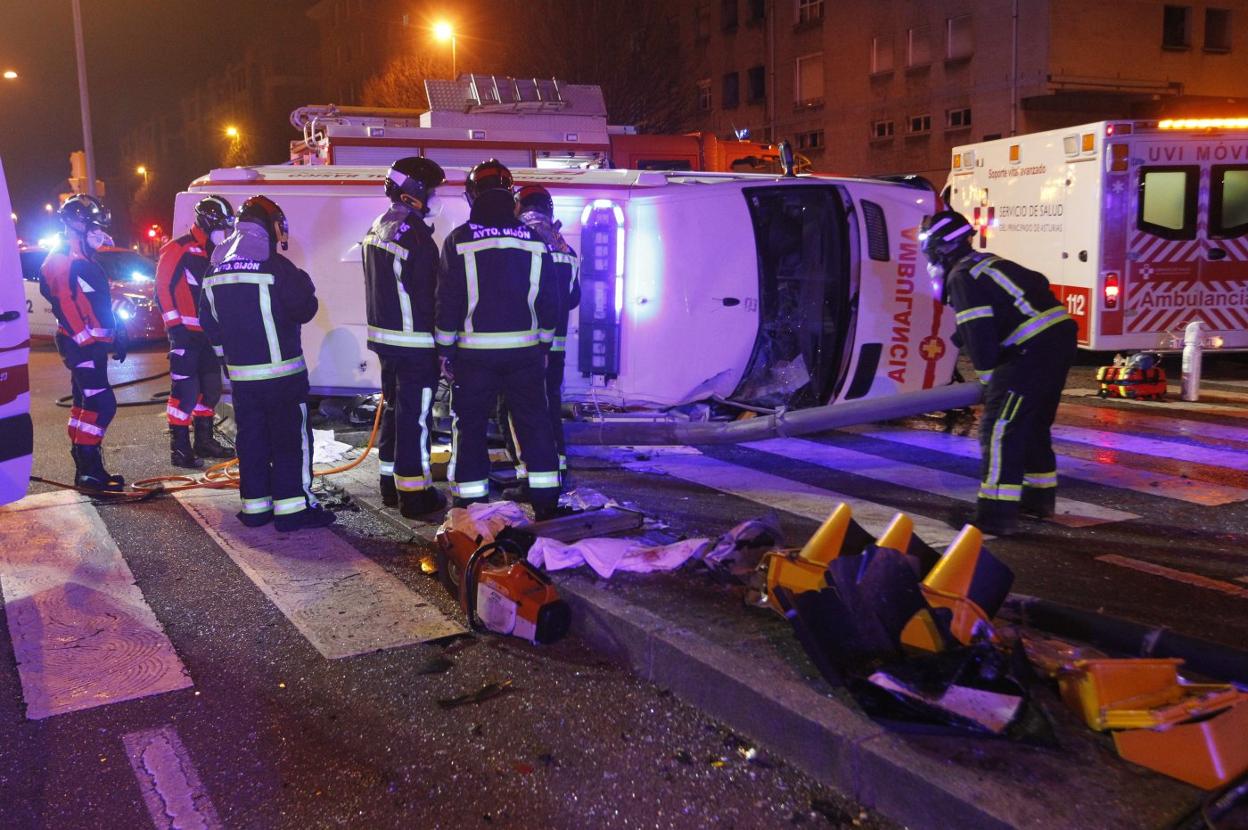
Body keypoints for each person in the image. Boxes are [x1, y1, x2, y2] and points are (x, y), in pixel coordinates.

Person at [921, 209, 1077, 536]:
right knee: (1032, 422)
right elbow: (1036, 283)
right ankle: (1037, 499)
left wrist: (992, 383)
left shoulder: (960, 277)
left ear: (940, 249)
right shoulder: (985, 264)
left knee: (999, 426)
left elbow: (980, 338)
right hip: (1056, 342)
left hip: (1028, 352)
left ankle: (995, 514)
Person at [435, 160, 563, 520]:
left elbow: (448, 300)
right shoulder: (536, 240)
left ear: (472, 195)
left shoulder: (459, 240)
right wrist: (543, 347)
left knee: (470, 425)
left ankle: (470, 503)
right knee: (534, 423)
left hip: (474, 356)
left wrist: (444, 350)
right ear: (510, 195)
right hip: (524, 355)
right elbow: (549, 301)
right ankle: (546, 500)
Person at [199, 195, 334, 532]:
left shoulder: (214, 269)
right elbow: (306, 308)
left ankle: (256, 508)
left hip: (243, 380)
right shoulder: (277, 267)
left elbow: (209, 323)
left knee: (252, 440)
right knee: (291, 441)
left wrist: (227, 361)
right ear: (270, 225)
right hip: (283, 376)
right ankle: (293, 510)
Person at [362, 156, 448, 519]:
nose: (433, 197)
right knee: (416, 418)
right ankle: (414, 495)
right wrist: (444, 347)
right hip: (415, 346)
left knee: (396, 412)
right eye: (429, 190)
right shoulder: (417, 237)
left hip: (387, 343)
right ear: (413, 192)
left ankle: (388, 485)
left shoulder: (378, 228)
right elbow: (432, 297)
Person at [40, 194, 127, 491]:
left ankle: (87, 470)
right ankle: (90, 471)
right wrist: (85, 340)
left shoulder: (85, 257)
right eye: (94, 226)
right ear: (76, 225)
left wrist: (116, 334)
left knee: (84, 404)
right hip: (81, 345)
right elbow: (63, 303)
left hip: (92, 344)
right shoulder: (62, 256)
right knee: (102, 405)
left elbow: (94, 303)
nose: (99, 233)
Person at [156, 196, 236, 468]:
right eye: (221, 226)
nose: (224, 232)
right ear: (208, 222)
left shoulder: (216, 253)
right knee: (185, 392)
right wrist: (174, 326)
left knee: (210, 390)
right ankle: (179, 449)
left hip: (209, 336)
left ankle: (204, 440)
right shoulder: (178, 249)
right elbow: (162, 288)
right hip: (185, 335)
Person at [513, 184, 579, 483]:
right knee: (551, 405)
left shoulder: (520, 241)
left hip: (526, 346)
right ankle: (559, 465)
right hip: (557, 347)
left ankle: (530, 475)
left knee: (521, 411)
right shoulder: (568, 249)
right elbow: (574, 297)